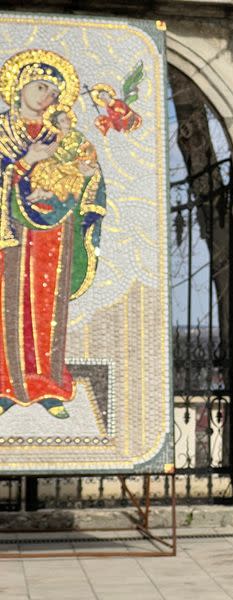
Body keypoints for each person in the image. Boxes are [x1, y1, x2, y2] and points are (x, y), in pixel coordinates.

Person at [0, 50, 106, 419]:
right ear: (19, 85)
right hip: (9, 234)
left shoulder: (58, 135)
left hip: (53, 235)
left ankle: (46, 386)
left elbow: (84, 176)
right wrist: (26, 162)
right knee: (8, 305)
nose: (47, 96)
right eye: (41, 86)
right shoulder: (2, 131)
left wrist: (86, 175)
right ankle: (7, 384)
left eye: (52, 92)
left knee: (46, 307)